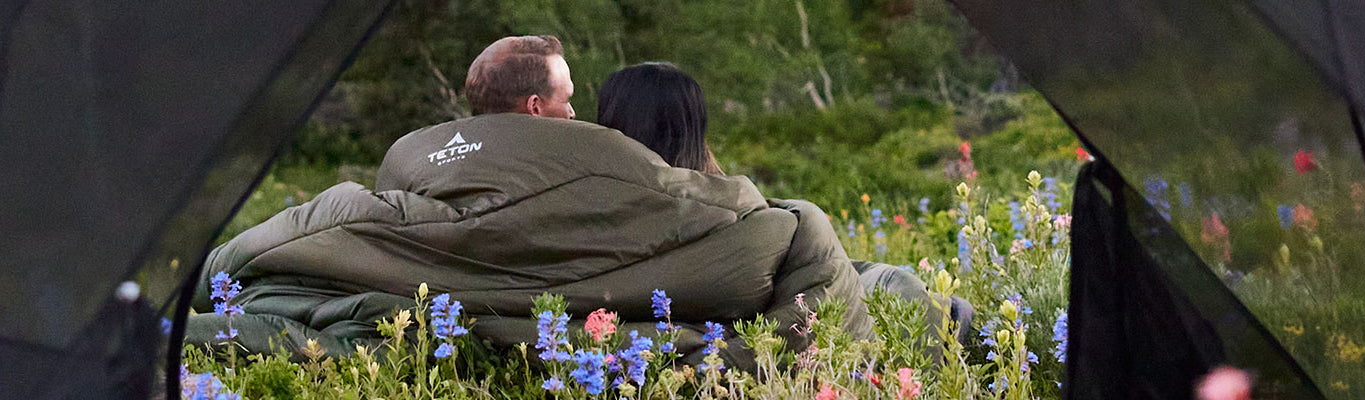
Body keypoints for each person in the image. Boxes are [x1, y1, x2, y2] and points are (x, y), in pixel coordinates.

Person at [186, 36, 874, 372]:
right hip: (622, 309)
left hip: (449, 302)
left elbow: (341, 224)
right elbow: (765, 238)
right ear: (539, 107)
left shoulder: (416, 156)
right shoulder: (625, 171)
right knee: (828, 245)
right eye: (569, 99)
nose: (579, 114)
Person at [596, 62, 974, 342]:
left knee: (901, 288)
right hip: (784, 315)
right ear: (690, 130)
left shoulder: (598, 197)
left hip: (787, 292)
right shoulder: (714, 202)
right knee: (905, 290)